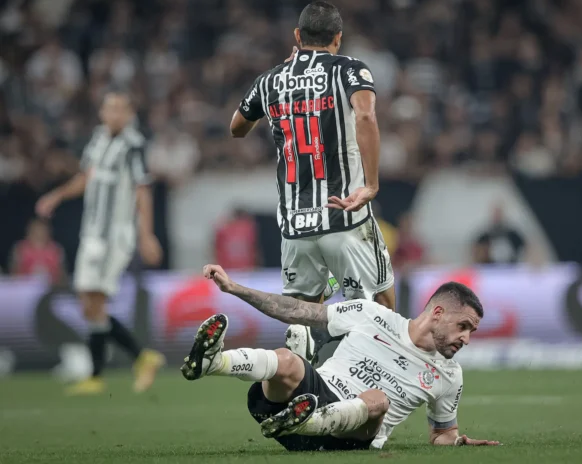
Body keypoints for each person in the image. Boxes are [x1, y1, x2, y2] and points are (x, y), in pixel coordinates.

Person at [181, 263, 499, 451]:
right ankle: (213, 363)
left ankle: (308, 420)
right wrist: (234, 287)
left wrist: (457, 441)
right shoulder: (371, 314)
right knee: (287, 360)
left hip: (351, 435)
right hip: (303, 404)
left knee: (378, 400)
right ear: (438, 313)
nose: (466, 339)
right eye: (464, 327)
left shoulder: (450, 374)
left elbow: (442, 432)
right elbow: (296, 309)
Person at [229, 1, 395, 361]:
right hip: (345, 216)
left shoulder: (271, 78)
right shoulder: (349, 70)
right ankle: (371, 395)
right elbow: (366, 115)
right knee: (380, 305)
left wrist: (285, 84)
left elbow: (237, 128)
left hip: (295, 225)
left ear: (297, 36)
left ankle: (303, 394)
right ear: (338, 37)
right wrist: (372, 184)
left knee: (301, 318)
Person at [35, 90, 165, 395]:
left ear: (130, 114)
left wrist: (146, 234)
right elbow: (86, 177)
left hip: (114, 235)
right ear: (102, 113)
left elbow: (142, 190)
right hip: (92, 231)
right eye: (110, 108)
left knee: (94, 301)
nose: (115, 114)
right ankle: (138, 358)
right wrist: (56, 195)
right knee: (89, 304)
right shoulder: (98, 139)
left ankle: (104, 372)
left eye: (121, 109)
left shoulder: (133, 145)